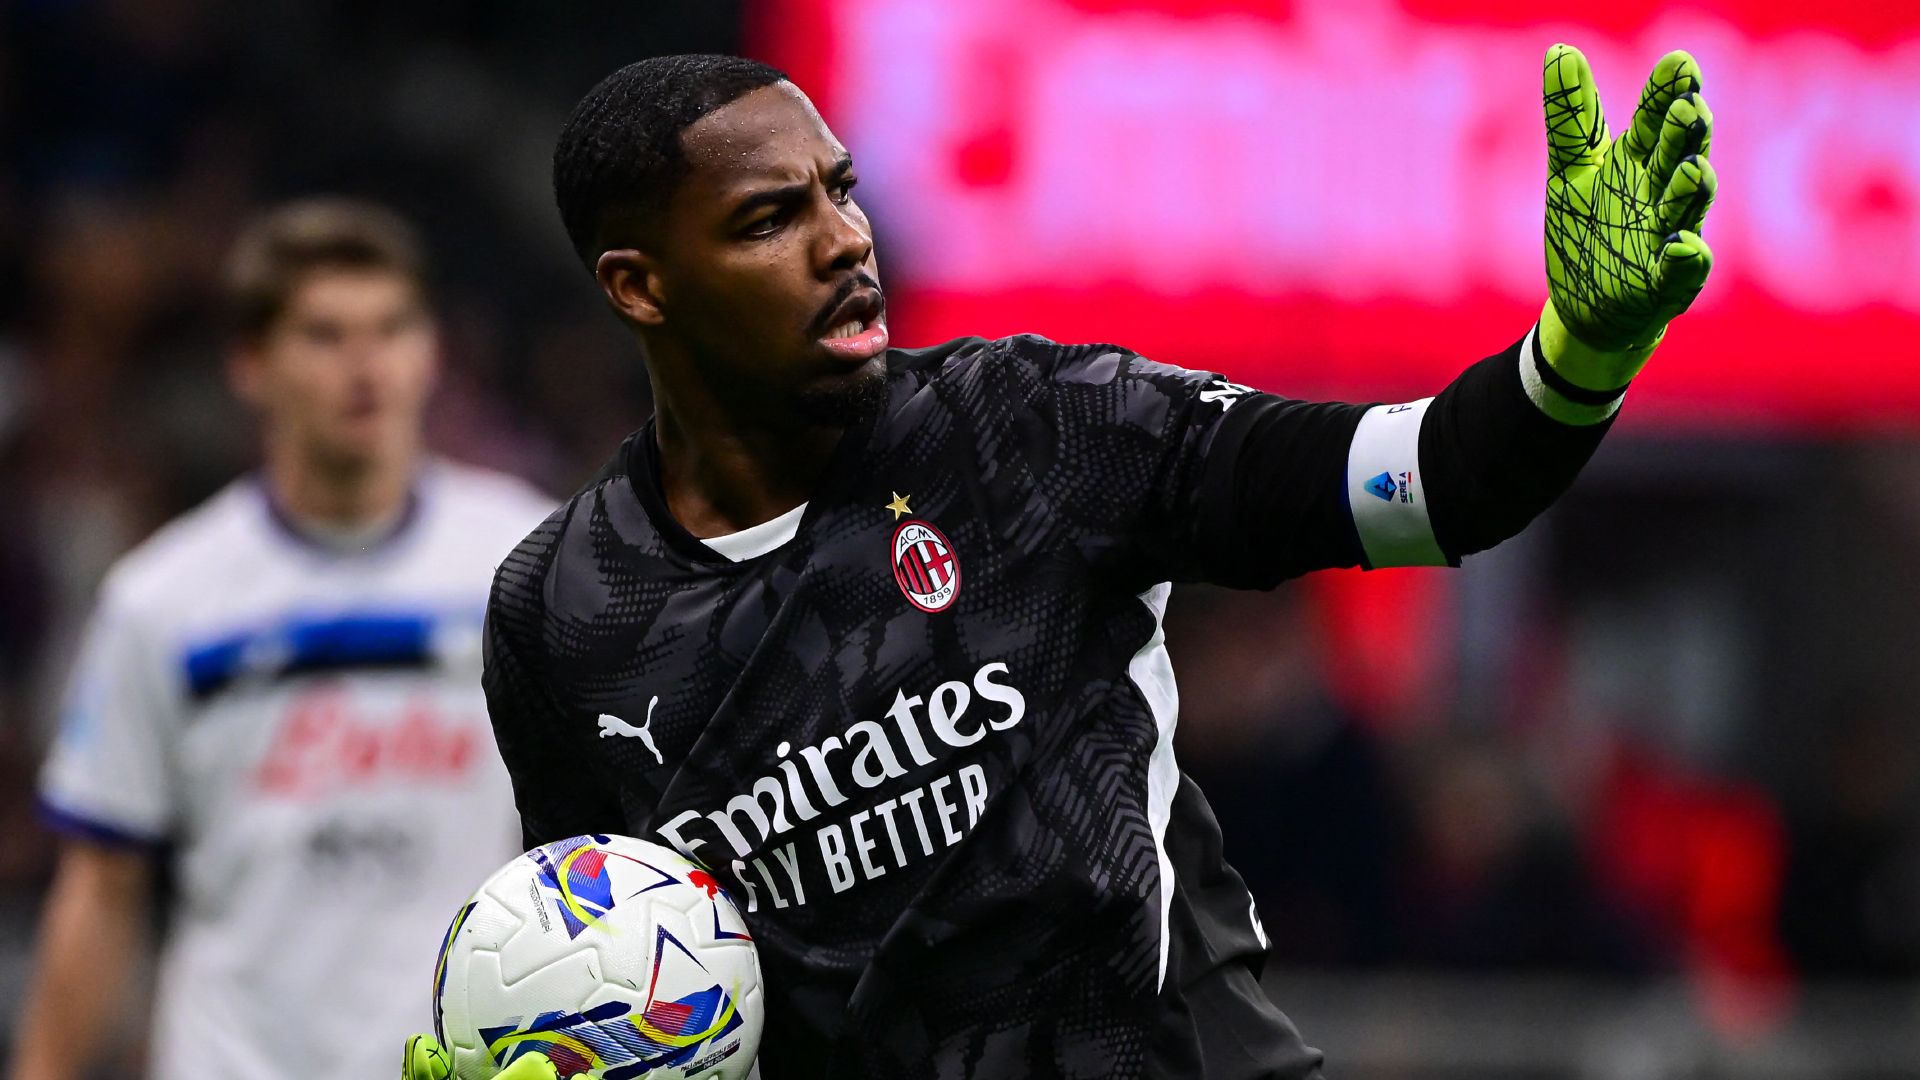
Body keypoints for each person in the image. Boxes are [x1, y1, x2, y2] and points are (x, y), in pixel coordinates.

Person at [407, 42, 1717, 1079]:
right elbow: (609, 960)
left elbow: (1420, 485)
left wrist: (1574, 361)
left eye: (840, 191)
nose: (843, 240)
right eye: (768, 219)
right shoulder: (561, 612)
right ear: (639, 286)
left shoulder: (1034, 428)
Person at [11, 200, 556, 1080]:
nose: (365, 366)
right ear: (251, 365)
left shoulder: (525, 564)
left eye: (393, 328)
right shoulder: (162, 601)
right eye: (325, 335)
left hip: (461, 1059)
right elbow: (102, 882)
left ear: (431, 353)